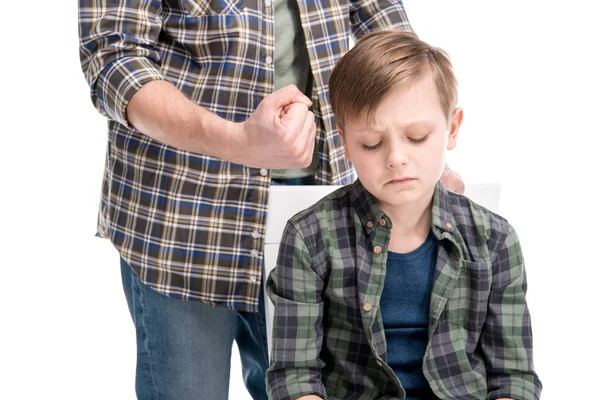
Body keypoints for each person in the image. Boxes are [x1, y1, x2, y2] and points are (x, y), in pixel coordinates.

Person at [77, 0, 465, 399]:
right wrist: (237, 142)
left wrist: (419, 156)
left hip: (318, 204)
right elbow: (114, 56)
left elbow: (379, 17)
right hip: (182, 213)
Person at [266, 30, 542, 400]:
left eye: (416, 137)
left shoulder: (494, 239)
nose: (396, 158)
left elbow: (513, 378)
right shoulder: (309, 237)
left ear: (452, 128)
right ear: (345, 143)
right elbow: (295, 377)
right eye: (372, 143)